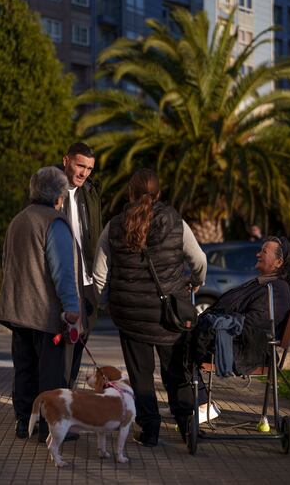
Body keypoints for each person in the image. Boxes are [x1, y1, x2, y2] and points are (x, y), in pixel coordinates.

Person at [93, 168, 207, 447]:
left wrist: (109, 303)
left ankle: (150, 431)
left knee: (141, 376)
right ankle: (186, 426)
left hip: (130, 317)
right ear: (159, 194)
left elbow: (99, 275)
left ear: (130, 193)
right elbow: (199, 260)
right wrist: (196, 282)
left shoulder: (114, 225)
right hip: (170, 316)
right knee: (177, 372)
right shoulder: (175, 222)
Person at [0, 167, 81, 443]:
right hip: (44, 313)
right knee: (50, 373)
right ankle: (51, 426)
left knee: (24, 369)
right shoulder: (54, 223)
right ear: (58, 195)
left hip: (17, 310)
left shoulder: (17, 220)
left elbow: (6, 263)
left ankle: (24, 422)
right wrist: (71, 307)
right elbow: (63, 272)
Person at [192, 236, 290, 379]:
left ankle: (200, 400)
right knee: (179, 338)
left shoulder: (278, 290)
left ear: (279, 262)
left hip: (244, 351)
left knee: (180, 343)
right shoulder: (262, 284)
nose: (258, 254)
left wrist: (217, 321)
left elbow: (255, 324)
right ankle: (199, 400)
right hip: (231, 342)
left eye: (264, 252)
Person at [60, 142, 103, 386]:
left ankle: (67, 392)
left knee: (80, 342)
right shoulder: (48, 189)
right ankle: (54, 396)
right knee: (58, 345)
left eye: (89, 168)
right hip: (61, 282)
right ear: (66, 161)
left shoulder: (91, 194)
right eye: (79, 165)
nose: (84, 173)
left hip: (87, 283)